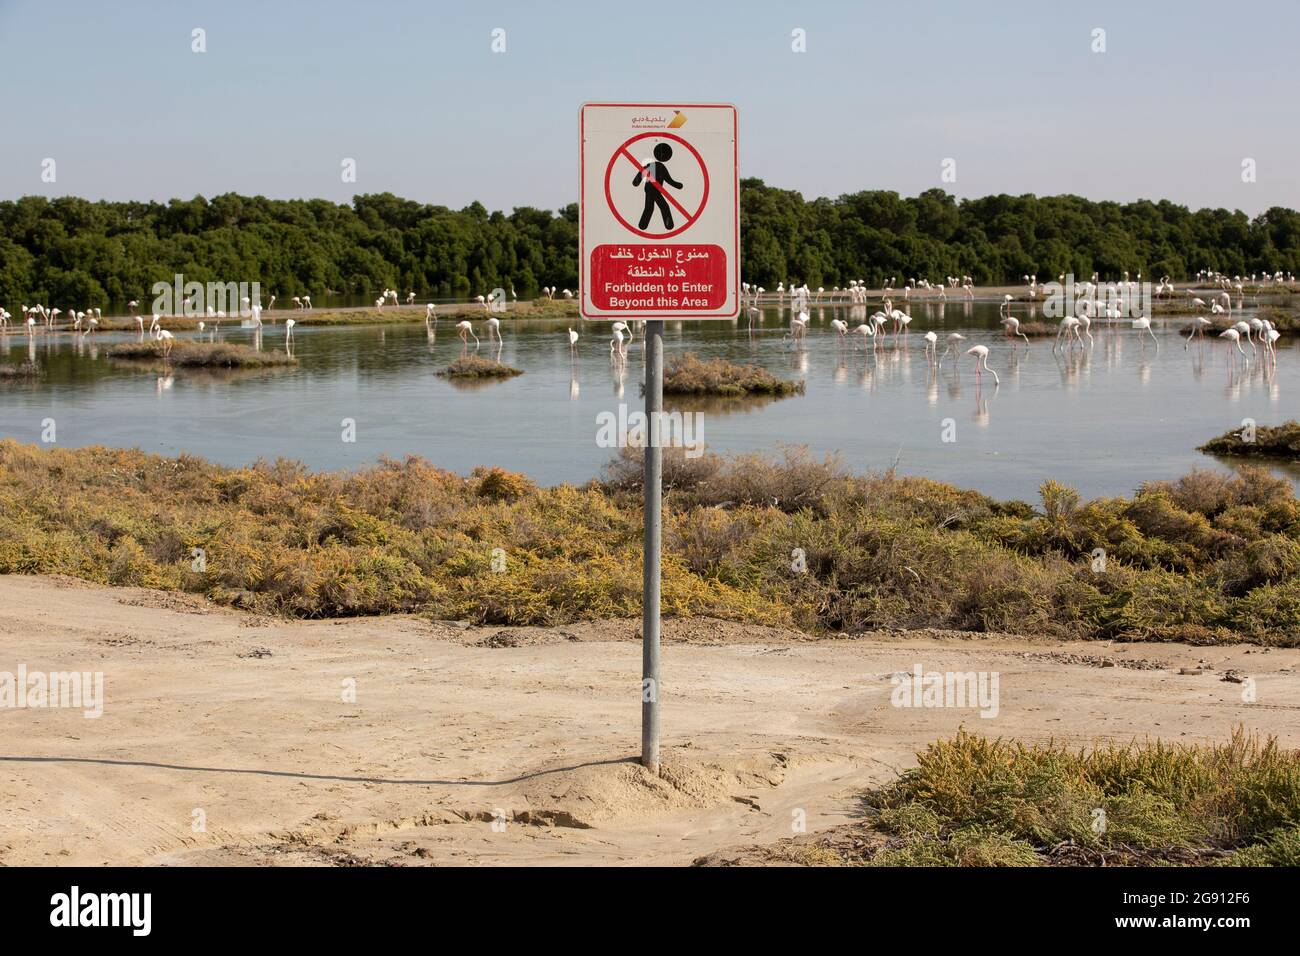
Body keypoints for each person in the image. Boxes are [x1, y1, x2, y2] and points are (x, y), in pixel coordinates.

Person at [633, 142, 683, 231]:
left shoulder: (651, 165)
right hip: (655, 190)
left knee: (649, 207)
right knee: (664, 207)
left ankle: (643, 225)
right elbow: (669, 180)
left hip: (649, 189)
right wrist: (678, 185)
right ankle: (668, 225)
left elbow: (641, 173)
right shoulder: (660, 167)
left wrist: (636, 182)